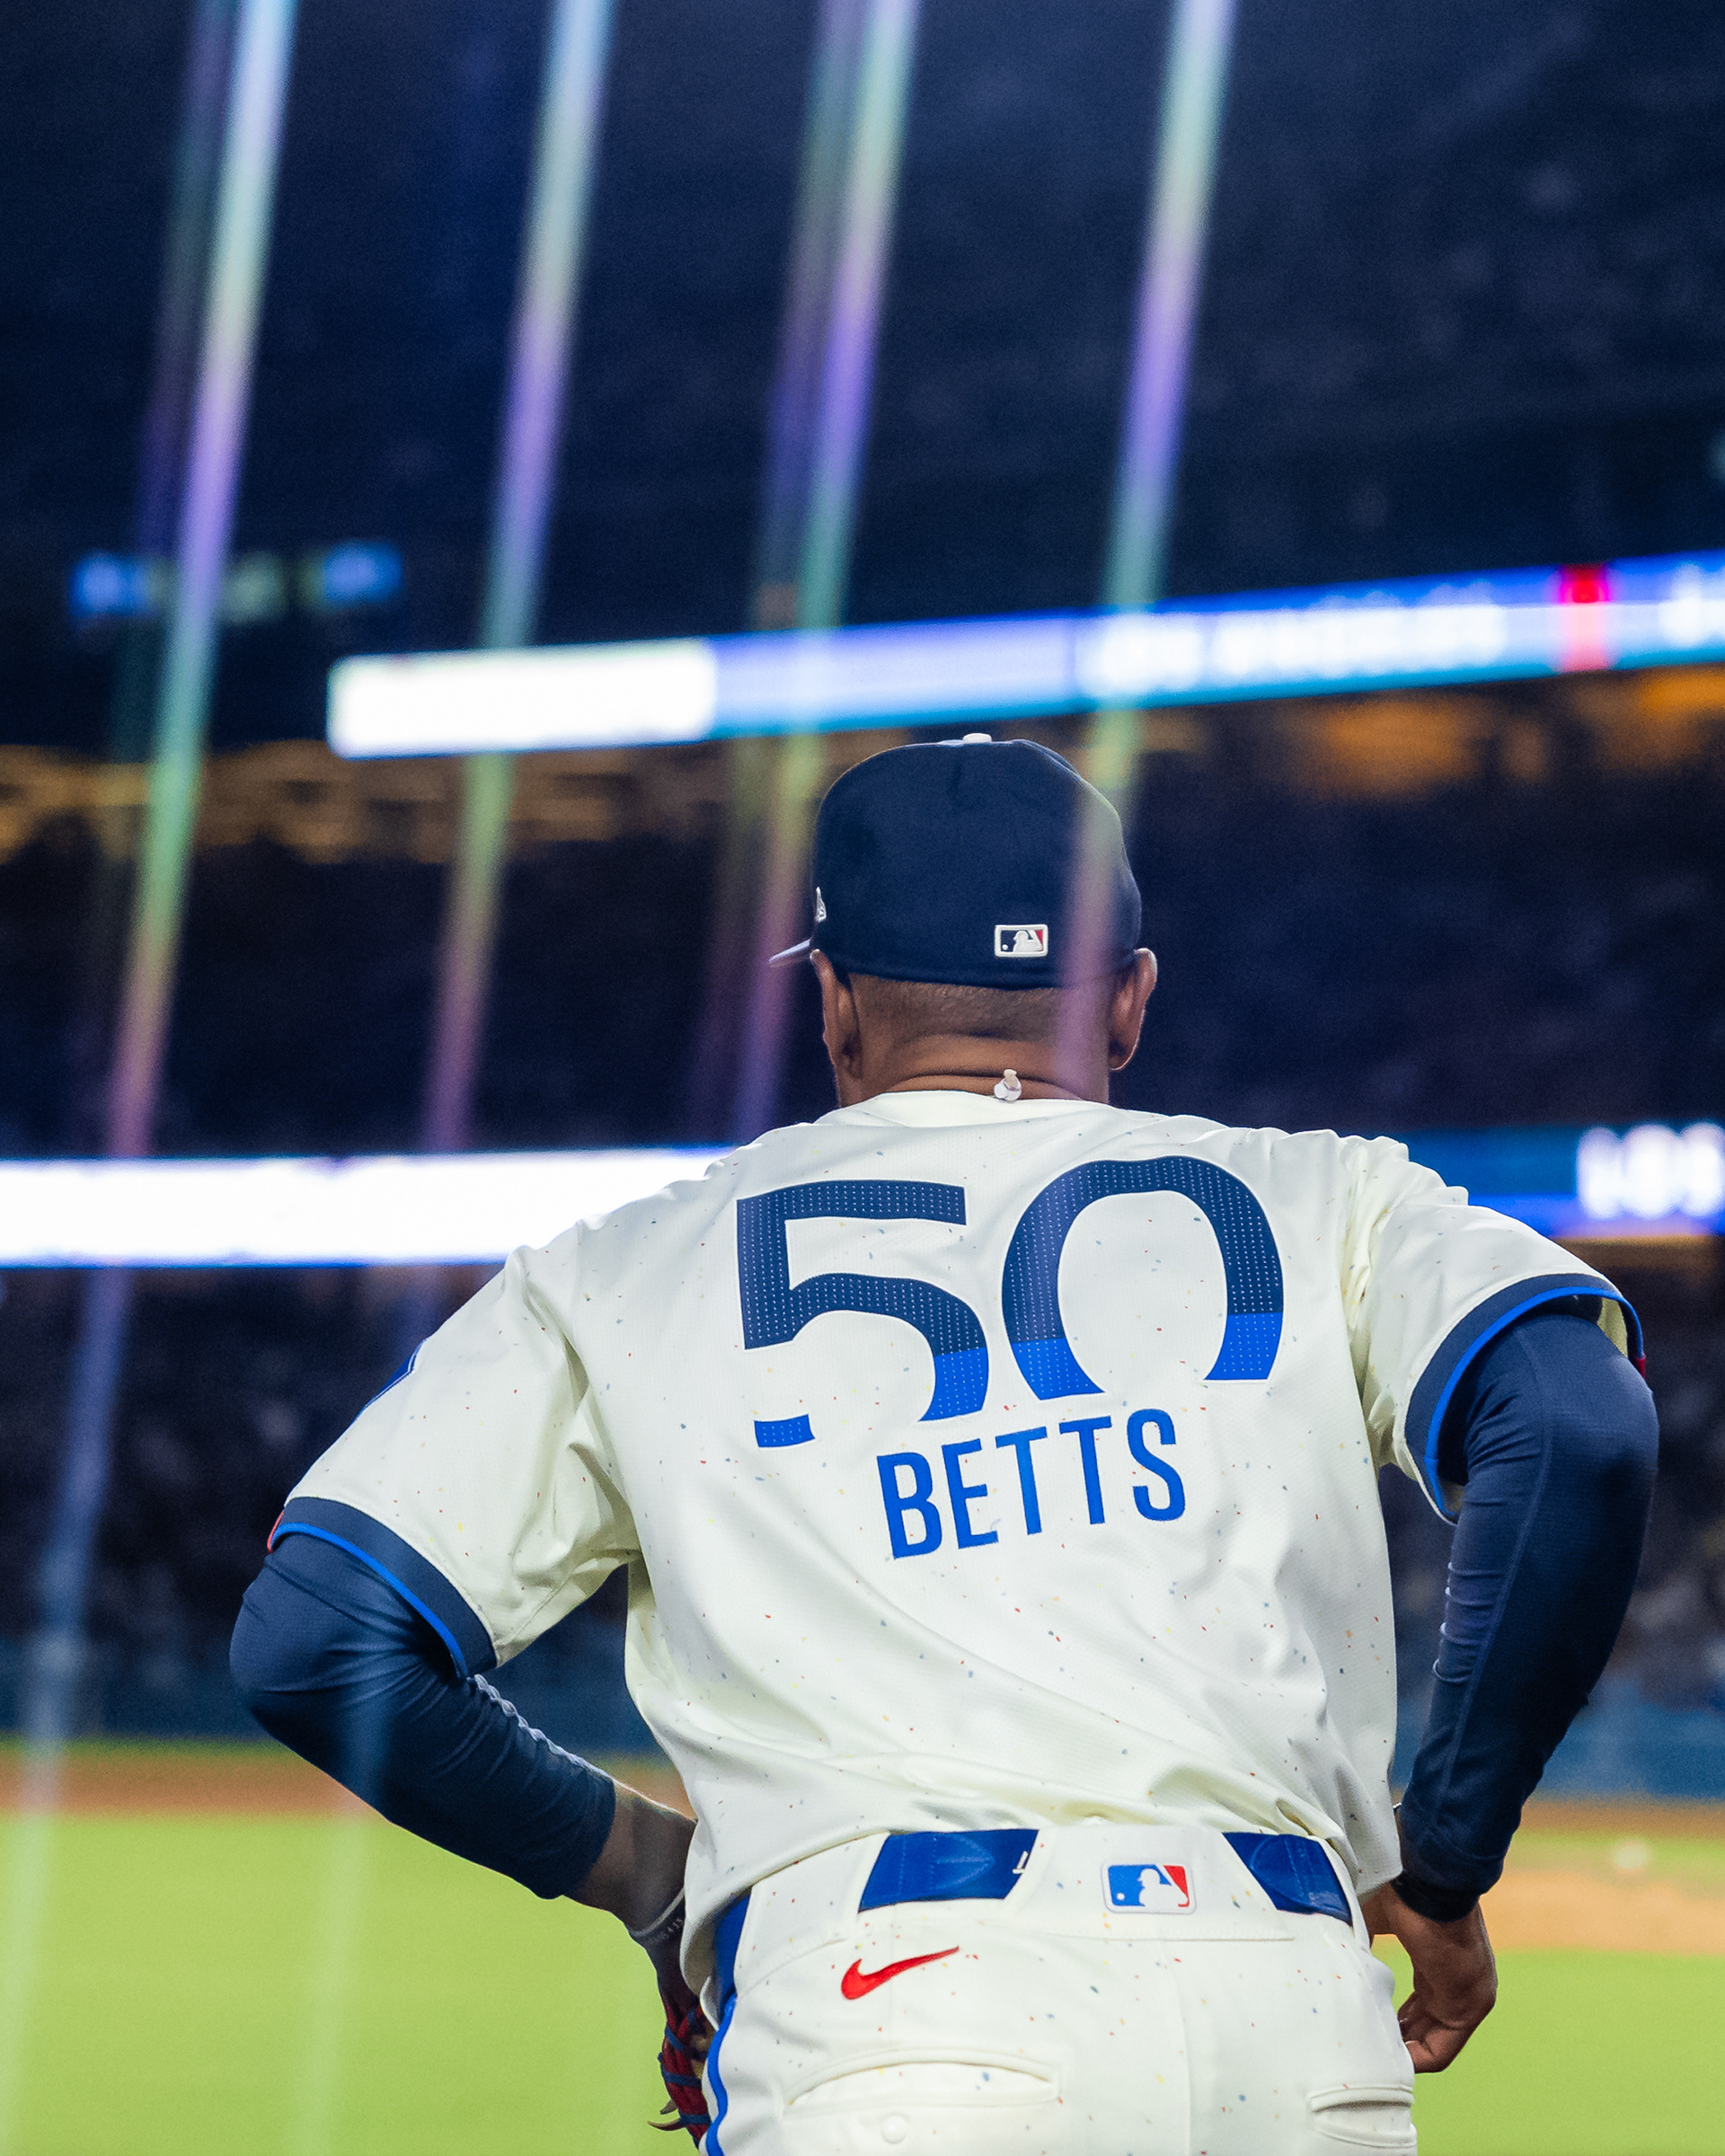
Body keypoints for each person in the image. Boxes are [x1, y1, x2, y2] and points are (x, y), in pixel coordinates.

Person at [233, 736, 1659, 2154]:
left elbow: (319, 1637)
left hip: (888, 2017)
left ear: (838, 1005)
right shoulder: (1321, 1199)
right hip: (1286, 2014)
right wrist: (1449, 1844)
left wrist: (659, 1883)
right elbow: (1576, 1425)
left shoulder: (626, 1270)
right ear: (1131, 1004)